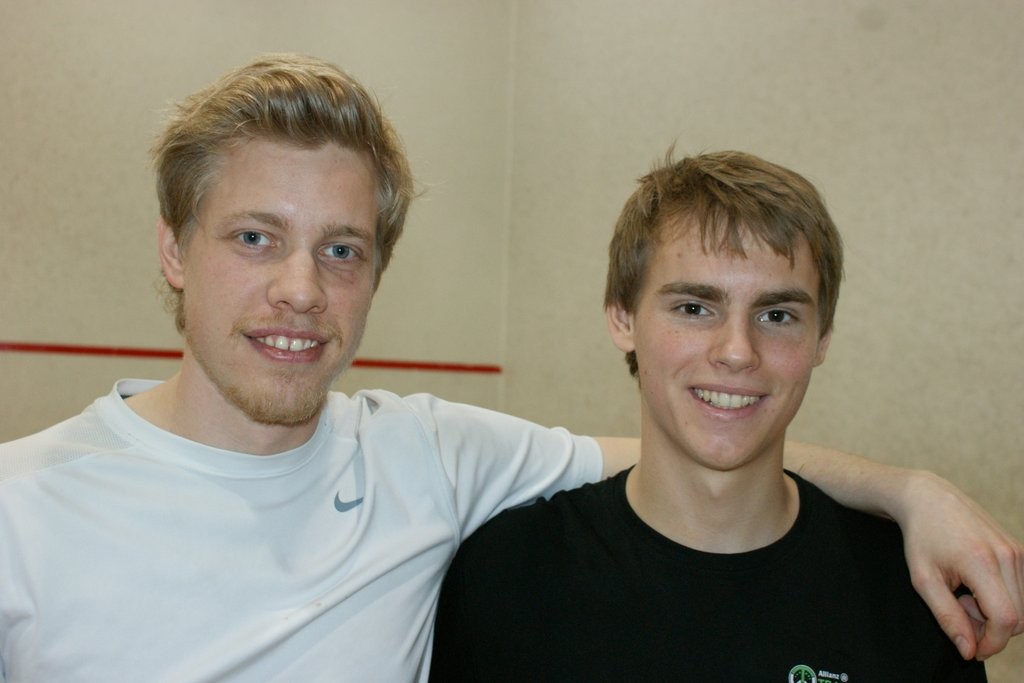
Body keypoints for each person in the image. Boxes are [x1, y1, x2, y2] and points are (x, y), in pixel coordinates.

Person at [0, 56, 1019, 682]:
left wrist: (910, 491)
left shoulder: (430, 458)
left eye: (342, 248)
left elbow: (706, 440)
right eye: (255, 238)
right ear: (174, 249)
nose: (302, 289)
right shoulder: (20, 510)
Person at [429, 151, 1001, 680]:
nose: (737, 352)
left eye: (776, 315)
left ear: (822, 339)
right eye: (694, 307)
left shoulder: (913, 591)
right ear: (623, 318)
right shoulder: (508, 575)